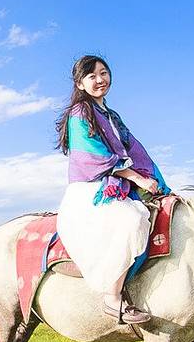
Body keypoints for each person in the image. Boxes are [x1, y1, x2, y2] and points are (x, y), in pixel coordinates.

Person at [55, 55, 171, 325]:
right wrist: (138, 178)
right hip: (90, 189)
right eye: (92, 76)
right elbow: (94, 156)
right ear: (80, 84)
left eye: (104, 73)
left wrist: (160, 184)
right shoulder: (79, 113)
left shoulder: (112, 116)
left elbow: (136, 151)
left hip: (117, 185)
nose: (100, 80)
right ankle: (113, 296)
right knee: (132, 219)